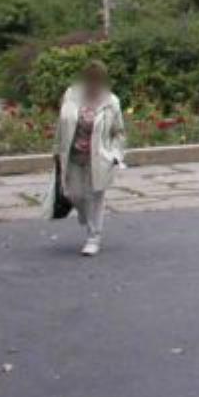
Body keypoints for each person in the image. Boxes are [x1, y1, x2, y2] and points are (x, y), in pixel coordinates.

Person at [43, 60, 127, 256]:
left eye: (97, 79)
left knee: (95, 198)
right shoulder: (71, 95)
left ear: (102, 80)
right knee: (74, 195)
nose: (93, 83)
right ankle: (85, 213)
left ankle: (93, 238)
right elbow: (61, 124)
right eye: (90, 79)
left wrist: (115, 155)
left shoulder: (111, 102)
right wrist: (56, 150)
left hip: (99, 159)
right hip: (73, 155)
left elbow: (119, 132)